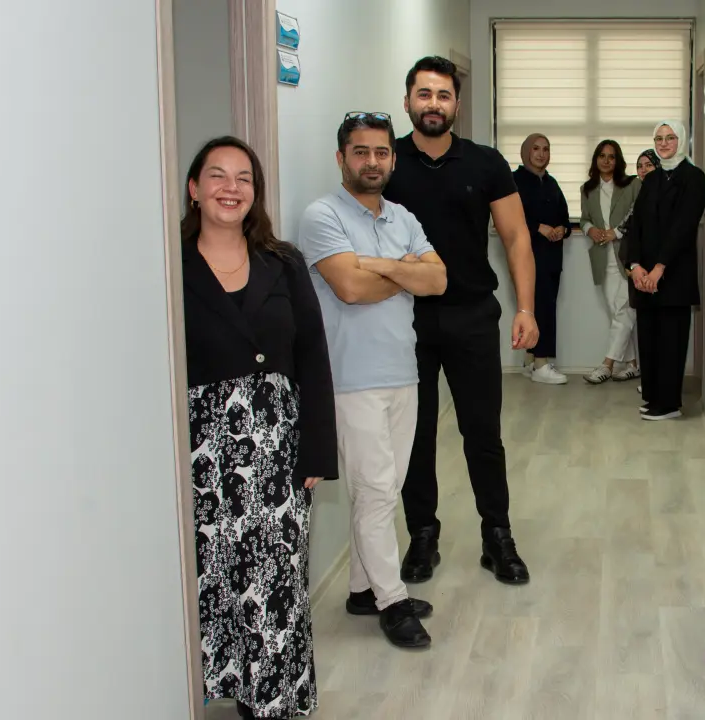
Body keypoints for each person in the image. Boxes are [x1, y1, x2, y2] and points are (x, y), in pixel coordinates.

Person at [181, 136, 337, 719]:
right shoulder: (170, 263)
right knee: (214, 575)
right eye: (217, 175)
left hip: (278, 445)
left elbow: (313, 354)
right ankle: (218, 686)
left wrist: (317, 448)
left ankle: (273, 701)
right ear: (194, 189)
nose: (231, 188)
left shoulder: (284, 261)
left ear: (256, 192)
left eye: (243, 178)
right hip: (200, 450)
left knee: (277, 578)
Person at [296, 112, 447, 649]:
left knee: (383, 489)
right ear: (342, 158)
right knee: (377, 490)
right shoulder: (321, 215)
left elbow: (438, 279)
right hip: (351, 379)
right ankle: (392, 600)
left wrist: (374, 264)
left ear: (393, 159)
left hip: (403, 372)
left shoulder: (403, 216)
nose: (372, 161)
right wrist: (402, 272)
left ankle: (363, 589)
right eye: (360, 152)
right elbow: (350, 289)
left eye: (381, 152)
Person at [382, 56, 535, 586]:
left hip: (471, 315)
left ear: (457, 105)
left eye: (443, 95)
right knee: (415, 434)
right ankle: (422, 536)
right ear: (407, 102)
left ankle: (498, 537)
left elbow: (516, 236)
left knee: (482, 433)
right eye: (424, 94)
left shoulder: (486, 163)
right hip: (404, 319)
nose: (433, 104)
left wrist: (526, 308)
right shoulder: (387, 161)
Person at [624, 120, 705, 420]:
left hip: (673, 274)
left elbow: (684, 226)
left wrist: (659, 268)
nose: (663, 143)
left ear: (681, 140)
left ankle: (669, 405)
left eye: (670, 138)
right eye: (658, 138)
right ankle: (652, 397)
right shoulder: (652, 180)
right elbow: (636, 226)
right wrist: (635, 266)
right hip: (644, 277)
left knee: (671, 340)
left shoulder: (694, 177)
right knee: (649, 339)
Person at [580, 139, 642, 384]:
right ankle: (633, 364)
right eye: (602, 156)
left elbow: (638, 215)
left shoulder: (632, 185)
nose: (606, 160)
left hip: (626, 257)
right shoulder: (587, 189)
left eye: (611, 156)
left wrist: (615, 232)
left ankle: (607, 365)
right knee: (618, 314)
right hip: (601, 258)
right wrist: (590, 230)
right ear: (596, 159)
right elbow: (584, 219)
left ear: (618, 161)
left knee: (624, 311)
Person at [513, 133, 571, 384]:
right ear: (526, 151)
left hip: (551, 257)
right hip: (528, 256)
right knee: (537, 308)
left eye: (546, 149)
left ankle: (530, 360)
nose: (541, 154)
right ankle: (541, 363)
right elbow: (509, 218)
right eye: (536, 148)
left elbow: (565, 216)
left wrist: (561, 229)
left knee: (544, 306)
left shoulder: (552, 182)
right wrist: (538, 228)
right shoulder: (514, 181)